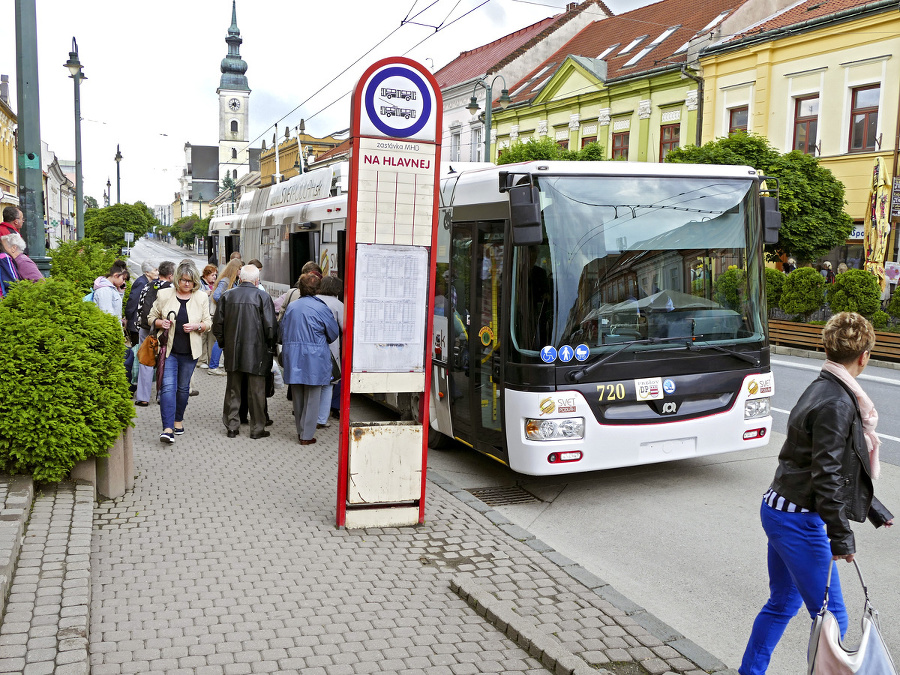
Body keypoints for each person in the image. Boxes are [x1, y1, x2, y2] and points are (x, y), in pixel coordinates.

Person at [738, 312, 893, 675]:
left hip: (781, 508)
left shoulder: (824, 385)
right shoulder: (838, 401)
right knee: (832, 621)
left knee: (782, 604)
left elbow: (829, 464)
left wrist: (873, 508)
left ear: (826, 348)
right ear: (865, 355)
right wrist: (841, 539)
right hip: (797, 520)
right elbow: (826, 474)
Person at [147, 260, 212, 444]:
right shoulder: (164, 294)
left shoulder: (200, 297)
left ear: (195, 282)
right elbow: (151, 317)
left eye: (190, 281)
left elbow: (208, 322)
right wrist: (161, 323)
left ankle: (178, 420)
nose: (186, 284)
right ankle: (167, 428)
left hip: (190, 352)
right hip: (168, 351)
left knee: (183, 389)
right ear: (177, 279)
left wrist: (197, 326)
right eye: (183, 280)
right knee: (167, 387)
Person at [212, 264, 276, 440]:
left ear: (240, 278)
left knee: (233, 390)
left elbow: (217, 325)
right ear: (257, 280)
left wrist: (224, 344)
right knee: (256, 392)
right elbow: (270, 327)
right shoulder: (263, 297)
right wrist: (269, 348)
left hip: (233, 351)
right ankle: (257, 429)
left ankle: (232, 426)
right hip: (257, 353)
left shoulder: (227, 296)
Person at [280, 272, 339, 445]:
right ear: (318, 289)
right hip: (315, 357)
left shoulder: (292, 306)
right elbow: (333, 333)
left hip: (294, 355)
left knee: (297, 395)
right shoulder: (321, 308)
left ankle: (300, 431)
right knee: (313, 397)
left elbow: (283, 330)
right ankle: (307, 435)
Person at [134, 261, 175, 406]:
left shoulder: (148, 286)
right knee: (164, 361)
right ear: (171, 275)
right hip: (165, 329)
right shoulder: (172, 288)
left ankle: (143, 397)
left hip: (147, 328)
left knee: (146, 361)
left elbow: (140, 308)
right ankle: (161, 395)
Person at [315, 275, 344, 428]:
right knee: (328, 384)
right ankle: (321, 419)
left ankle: (309, 415)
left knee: (313, 383)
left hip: (312, 348)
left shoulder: (312, 299)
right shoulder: (338, 304)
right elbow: (345, 327)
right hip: (331, 349)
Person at [209, 258, 243, 375]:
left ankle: (217, 364)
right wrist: (228, 304)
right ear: (235, 269)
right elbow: (217, 295)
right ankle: (213, 366)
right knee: (220, 341)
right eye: (239, 269)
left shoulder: (230, 281)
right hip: (224, 315)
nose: (241, 272)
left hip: (225, 314)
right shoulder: (226, 281)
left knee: (224, 340)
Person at [125, 262, 158, 346]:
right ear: (147, 272)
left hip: (140, 323)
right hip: (135, 322)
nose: (157, 272)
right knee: (138, 348)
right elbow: (133, 301)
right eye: (155, 270)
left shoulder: (150, 282)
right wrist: (128, 317)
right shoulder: (141, 283)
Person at [198, 264, 220, 370]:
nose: (214, 277)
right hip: (202, 314)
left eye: (215, 275)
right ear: (206, 275)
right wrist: (204, 293)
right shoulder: (199, 283)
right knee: (203, 337)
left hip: (212, 314)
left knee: (212, 337)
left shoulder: (216, 285)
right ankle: (201, 360)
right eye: (212, 275)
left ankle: (212, 359)